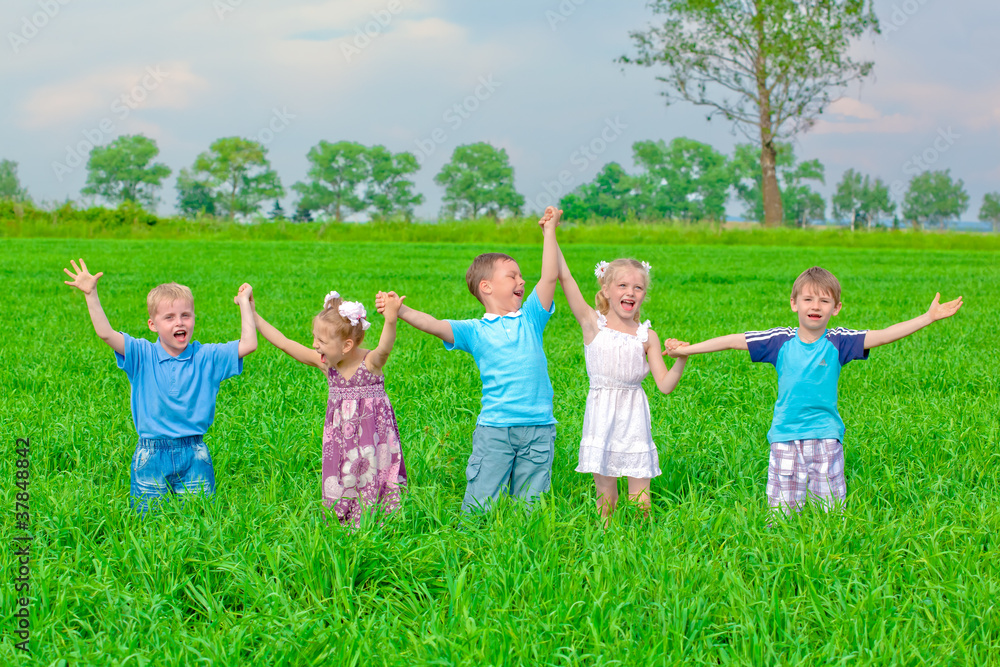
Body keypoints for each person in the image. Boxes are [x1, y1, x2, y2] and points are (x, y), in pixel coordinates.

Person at [666, 266, 963, 515]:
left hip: (826, 437)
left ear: (836, 308)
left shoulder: (839, 341)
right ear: (794, 304)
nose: (815, 306)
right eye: (808, 299)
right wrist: (688, 350)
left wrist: (928, 317)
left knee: (829, 511)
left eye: (824, 301)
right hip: (785, 436)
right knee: (782, 512)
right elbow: (732, 340)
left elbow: (884, 335)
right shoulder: (778, 340)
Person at [377, 207, 560, 512]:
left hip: (539, 426)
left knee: (533, 504)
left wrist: (550, 232)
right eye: (512, 276)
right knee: (481, 499)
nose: (521, 280)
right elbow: (434, 324)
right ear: (486, 287)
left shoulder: (531, 318)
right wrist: (402, 311)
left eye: (521, 276)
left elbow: (550, 277)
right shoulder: (474, 331)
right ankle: (471, 539)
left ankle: (525, 544)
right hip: (495, 429)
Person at [63, 258, 257, 514]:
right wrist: (91, 294)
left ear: (194, 319)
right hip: (151, 452)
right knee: (148, 522)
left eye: (185, 315)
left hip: (194, 451)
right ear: (153, 325)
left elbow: (248, 344)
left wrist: (244, 304)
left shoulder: (207, 357)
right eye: (170, 317)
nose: (179, 322)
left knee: (199, 520)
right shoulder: (142, 354)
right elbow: (106, 333)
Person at [251, 288, 406, 526]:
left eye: (321, 341)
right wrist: (252, 313)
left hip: (372, 439)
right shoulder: (327, 364)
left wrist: (391, 319)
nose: (315, 345)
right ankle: (342, 515)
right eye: (315, 338)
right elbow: (284, 343)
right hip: (340, 441)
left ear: (346, 345)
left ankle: (376, 517)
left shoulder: (370, 363)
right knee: (343, 477)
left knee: (374, 475)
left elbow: (384, 347)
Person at [555, 243, 688, 517]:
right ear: (606, 290)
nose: (630, 292)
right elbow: (565, 278)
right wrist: (550, 232)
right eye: (623, 286)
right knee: (606, 502)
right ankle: (606, 545)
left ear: (643, 295)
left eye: (638, 288)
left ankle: (640, 545)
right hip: (601, 419)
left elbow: (664, 385)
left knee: (641, 501)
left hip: (634, 420)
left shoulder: (646, 336)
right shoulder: (593, 324)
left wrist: (681, 358)